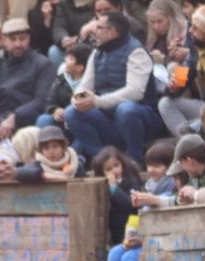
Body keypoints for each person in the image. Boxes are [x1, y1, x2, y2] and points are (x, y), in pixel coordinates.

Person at [63, 12, 163, 163]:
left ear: (112, 32)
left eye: (98, 28)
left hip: (140, 117)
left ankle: (135, 161)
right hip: (109, 117)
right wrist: (77, 100)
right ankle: (103, 161)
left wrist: (97, 101)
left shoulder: (136, 52)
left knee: (126, 109)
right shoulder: (97, 53)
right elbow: (84, 86)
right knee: (72, 112)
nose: (94, 31)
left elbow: (135, 92)